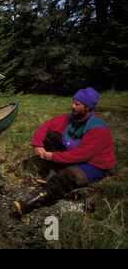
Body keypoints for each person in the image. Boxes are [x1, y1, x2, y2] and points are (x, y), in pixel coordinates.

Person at [13, 87, 115, 215]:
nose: (73, 106)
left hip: (94, 165)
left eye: (77, 104)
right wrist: (37, 145)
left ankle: (29, 204)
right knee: (50, 135)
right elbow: (46, 127)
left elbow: (82, 155)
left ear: (87, 107)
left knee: (67, 176)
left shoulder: (98, 128)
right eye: (73, 102)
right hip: (75, 156)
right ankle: (52, 172)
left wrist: (54, 156)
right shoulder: (71, 118)